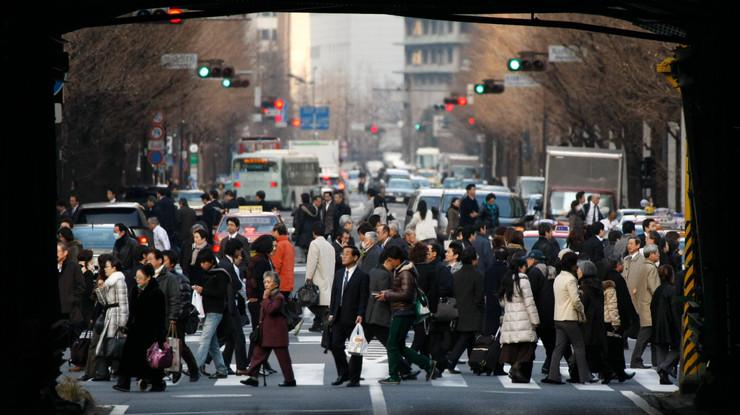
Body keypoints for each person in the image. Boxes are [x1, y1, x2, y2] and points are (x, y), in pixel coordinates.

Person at [374, 246, 440, 384]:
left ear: (397, 260)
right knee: (399, 346)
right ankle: (428, 364)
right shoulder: (402, 270)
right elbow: (402, 290)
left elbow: (406, 294)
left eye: (391, 260)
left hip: (403, 312)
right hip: (403, 311)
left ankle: (394, 376)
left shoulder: (405, 273)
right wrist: (388, 292)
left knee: (392, 345)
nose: (389, 262)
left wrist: (387, 295)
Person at [113, 264, 167, 392]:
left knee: (151, 358)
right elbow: (132, 311)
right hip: (135, 329)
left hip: (150, 331)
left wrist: (160, 336)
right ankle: (124, 383)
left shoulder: (156, 292)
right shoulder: (135, 290)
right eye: (136, 277)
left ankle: (157, 383)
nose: (137, 280)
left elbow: (160, 315)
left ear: (148, 278)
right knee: (128, 356)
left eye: (140, 278)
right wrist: (127, 326)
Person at [542, 252, 593, 384]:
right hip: (569, 318)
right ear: (572, 264)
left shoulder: (558, 278)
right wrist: (582, 311)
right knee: (579, 346)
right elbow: (575, 300)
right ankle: (584, 376)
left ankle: (553, 375)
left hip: (558, 317)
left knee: (558, 348)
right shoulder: (571, 279)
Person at [240, 272, 297, 387]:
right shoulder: (270, 296)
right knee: (257, 355)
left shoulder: (278, 297)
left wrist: (265, 299)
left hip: (277, 334)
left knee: (283, 359)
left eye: (269, 282)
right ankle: (253, 377)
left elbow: (271, 310)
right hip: (266, 333)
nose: (266, 284)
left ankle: (290, 380)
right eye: (265, 282)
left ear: (275, 284)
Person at [328, 246, 369, 387]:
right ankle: (343, 372)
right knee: (335, 345)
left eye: (346, 254)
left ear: (355, 257)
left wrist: (361, 313)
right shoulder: (339, 273)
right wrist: (331, 312)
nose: (343, 256)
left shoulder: (362, 276)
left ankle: (354, 379)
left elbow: (364, 297)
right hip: (338, 316)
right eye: (342, 254)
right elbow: (334, 294)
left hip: (353, 317)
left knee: (356, 349)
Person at [499, 257, 540, 383]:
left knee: (513, 347)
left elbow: (502, 302)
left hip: (510, 317)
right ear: (521, 267)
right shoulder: (523, 280)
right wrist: (535, 320)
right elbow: (529, 302)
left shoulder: (507, 279)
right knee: (528, 346)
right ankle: (516, 367)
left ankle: (514, 368)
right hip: (523, 318)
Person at [191, 249, 230, 380]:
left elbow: (220, 293)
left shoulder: (221, 274)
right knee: (213, 345)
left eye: (204, 263)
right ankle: (222, 369)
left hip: (216, 310)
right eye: (201, 263)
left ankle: (195, 367)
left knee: (205, 339)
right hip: (208, 310)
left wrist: (203, 290)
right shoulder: (206, 273)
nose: (202, 265)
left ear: (211, 262)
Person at [162, 250, 200, 382]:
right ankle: (174, 370)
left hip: (178, 317)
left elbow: (183, 301)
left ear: (171, 263)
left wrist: (175, 317)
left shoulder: (179, 279)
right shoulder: (162, 277)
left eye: (165, 260)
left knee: (180, 345)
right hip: (166, 316)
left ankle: (192, 370)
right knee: (168, 344)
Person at [446, 247, 484, 374]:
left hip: (458, 310)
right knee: (466, 337)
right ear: (473, 260)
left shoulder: (455, 275)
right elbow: (479, 297)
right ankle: (451, 361)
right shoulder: (478, 275)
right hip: (473, 311)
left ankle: (474, 363)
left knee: (468, 338)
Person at [245, 235, 277, 374]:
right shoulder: (261, 261)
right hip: (259, 302)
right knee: (259, 333)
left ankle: (260, 363)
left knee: (261, 333)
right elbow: (258, 282)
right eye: (272, 245)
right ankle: (253, 363)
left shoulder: (261, 259)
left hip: (258, 301)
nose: (274, 248)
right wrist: (264, 299)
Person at [577, 259, 612, 383]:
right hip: (597, 321)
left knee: (585, 348)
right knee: (596, 349)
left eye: (579, 269)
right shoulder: (597, 285)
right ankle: (605, 372)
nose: (577, 271)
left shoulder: (584, 287)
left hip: (587, 321)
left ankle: (580, 373)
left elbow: (583, 305)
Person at [627, 244, 660, 369]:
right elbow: (654, 288)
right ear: (651, 254)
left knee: (648, 335)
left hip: (642, 304)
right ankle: (636, 360)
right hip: (649, 306)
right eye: (656, 253)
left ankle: (654, 361)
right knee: (645, 336)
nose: (658, 255)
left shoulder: (642, 267)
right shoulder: (651, 268)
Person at [218, 239, 249, 377]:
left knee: (230, 338)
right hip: (230, 305)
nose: (241, 252)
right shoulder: (228, 265)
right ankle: (241, 367)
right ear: (235, 250)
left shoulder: (224, 262)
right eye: (240, 249)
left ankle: (224, 365)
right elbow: (237, 285)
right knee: (239, 337)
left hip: (226, 304)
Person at [602, 259, 636, 382]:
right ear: (618, 266)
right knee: (616, 347)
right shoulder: (617, 280)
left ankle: (611, 371)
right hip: (615, 318)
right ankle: (618, 372)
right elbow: (622, 301)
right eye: (621, 264)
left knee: (609, 346)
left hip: (605, 318)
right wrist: (622, 320)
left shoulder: (605, 277)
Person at [651, 265, 682, 385]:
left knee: (661, 349)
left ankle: (662, 375)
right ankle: (664, 368)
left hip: (657, 324)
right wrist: (679, 326)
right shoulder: (672, 290)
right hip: (669, 324)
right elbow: (674, 310)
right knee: (679, 348)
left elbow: (652, 307)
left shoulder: (657, 290)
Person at [409, 242, 439, 356]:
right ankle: (405, 365)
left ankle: (428, 367)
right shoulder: (431, 269)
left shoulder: (410, 269)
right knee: (420, 337)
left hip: (412, 305)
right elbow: (434, 291)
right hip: (425, 307)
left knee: (422, 337)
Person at [305, 223, 336, 332]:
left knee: (310, 302)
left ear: (314, 232)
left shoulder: (314, 244)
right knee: (320, 302)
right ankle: (317, 324)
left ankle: (325, 319)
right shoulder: (330, 246)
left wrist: (308, 278)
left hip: (318, 277)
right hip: (328, 277)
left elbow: (311, 262)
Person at [57, 242, 85, 329]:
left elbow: (81, 287)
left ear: (65, 253)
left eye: (57, 251)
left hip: (70, 312)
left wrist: (71, 299)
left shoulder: (73, 267)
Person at [293, 193, 320, 260]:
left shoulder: (301, 208)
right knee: (311, 244)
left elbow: (300, 220)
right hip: (312, 229)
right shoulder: (314, 208)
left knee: (303, 245)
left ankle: (303, 258)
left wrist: (297, 231)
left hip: (303, 230)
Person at [271, 223, 295, 296]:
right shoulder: (289, 244)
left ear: (277, 232)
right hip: (288, 281)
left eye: (273, 231)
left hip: (281, 282)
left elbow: (276, 265)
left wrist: (272, 282)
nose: (271, 233)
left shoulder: (279, 245)